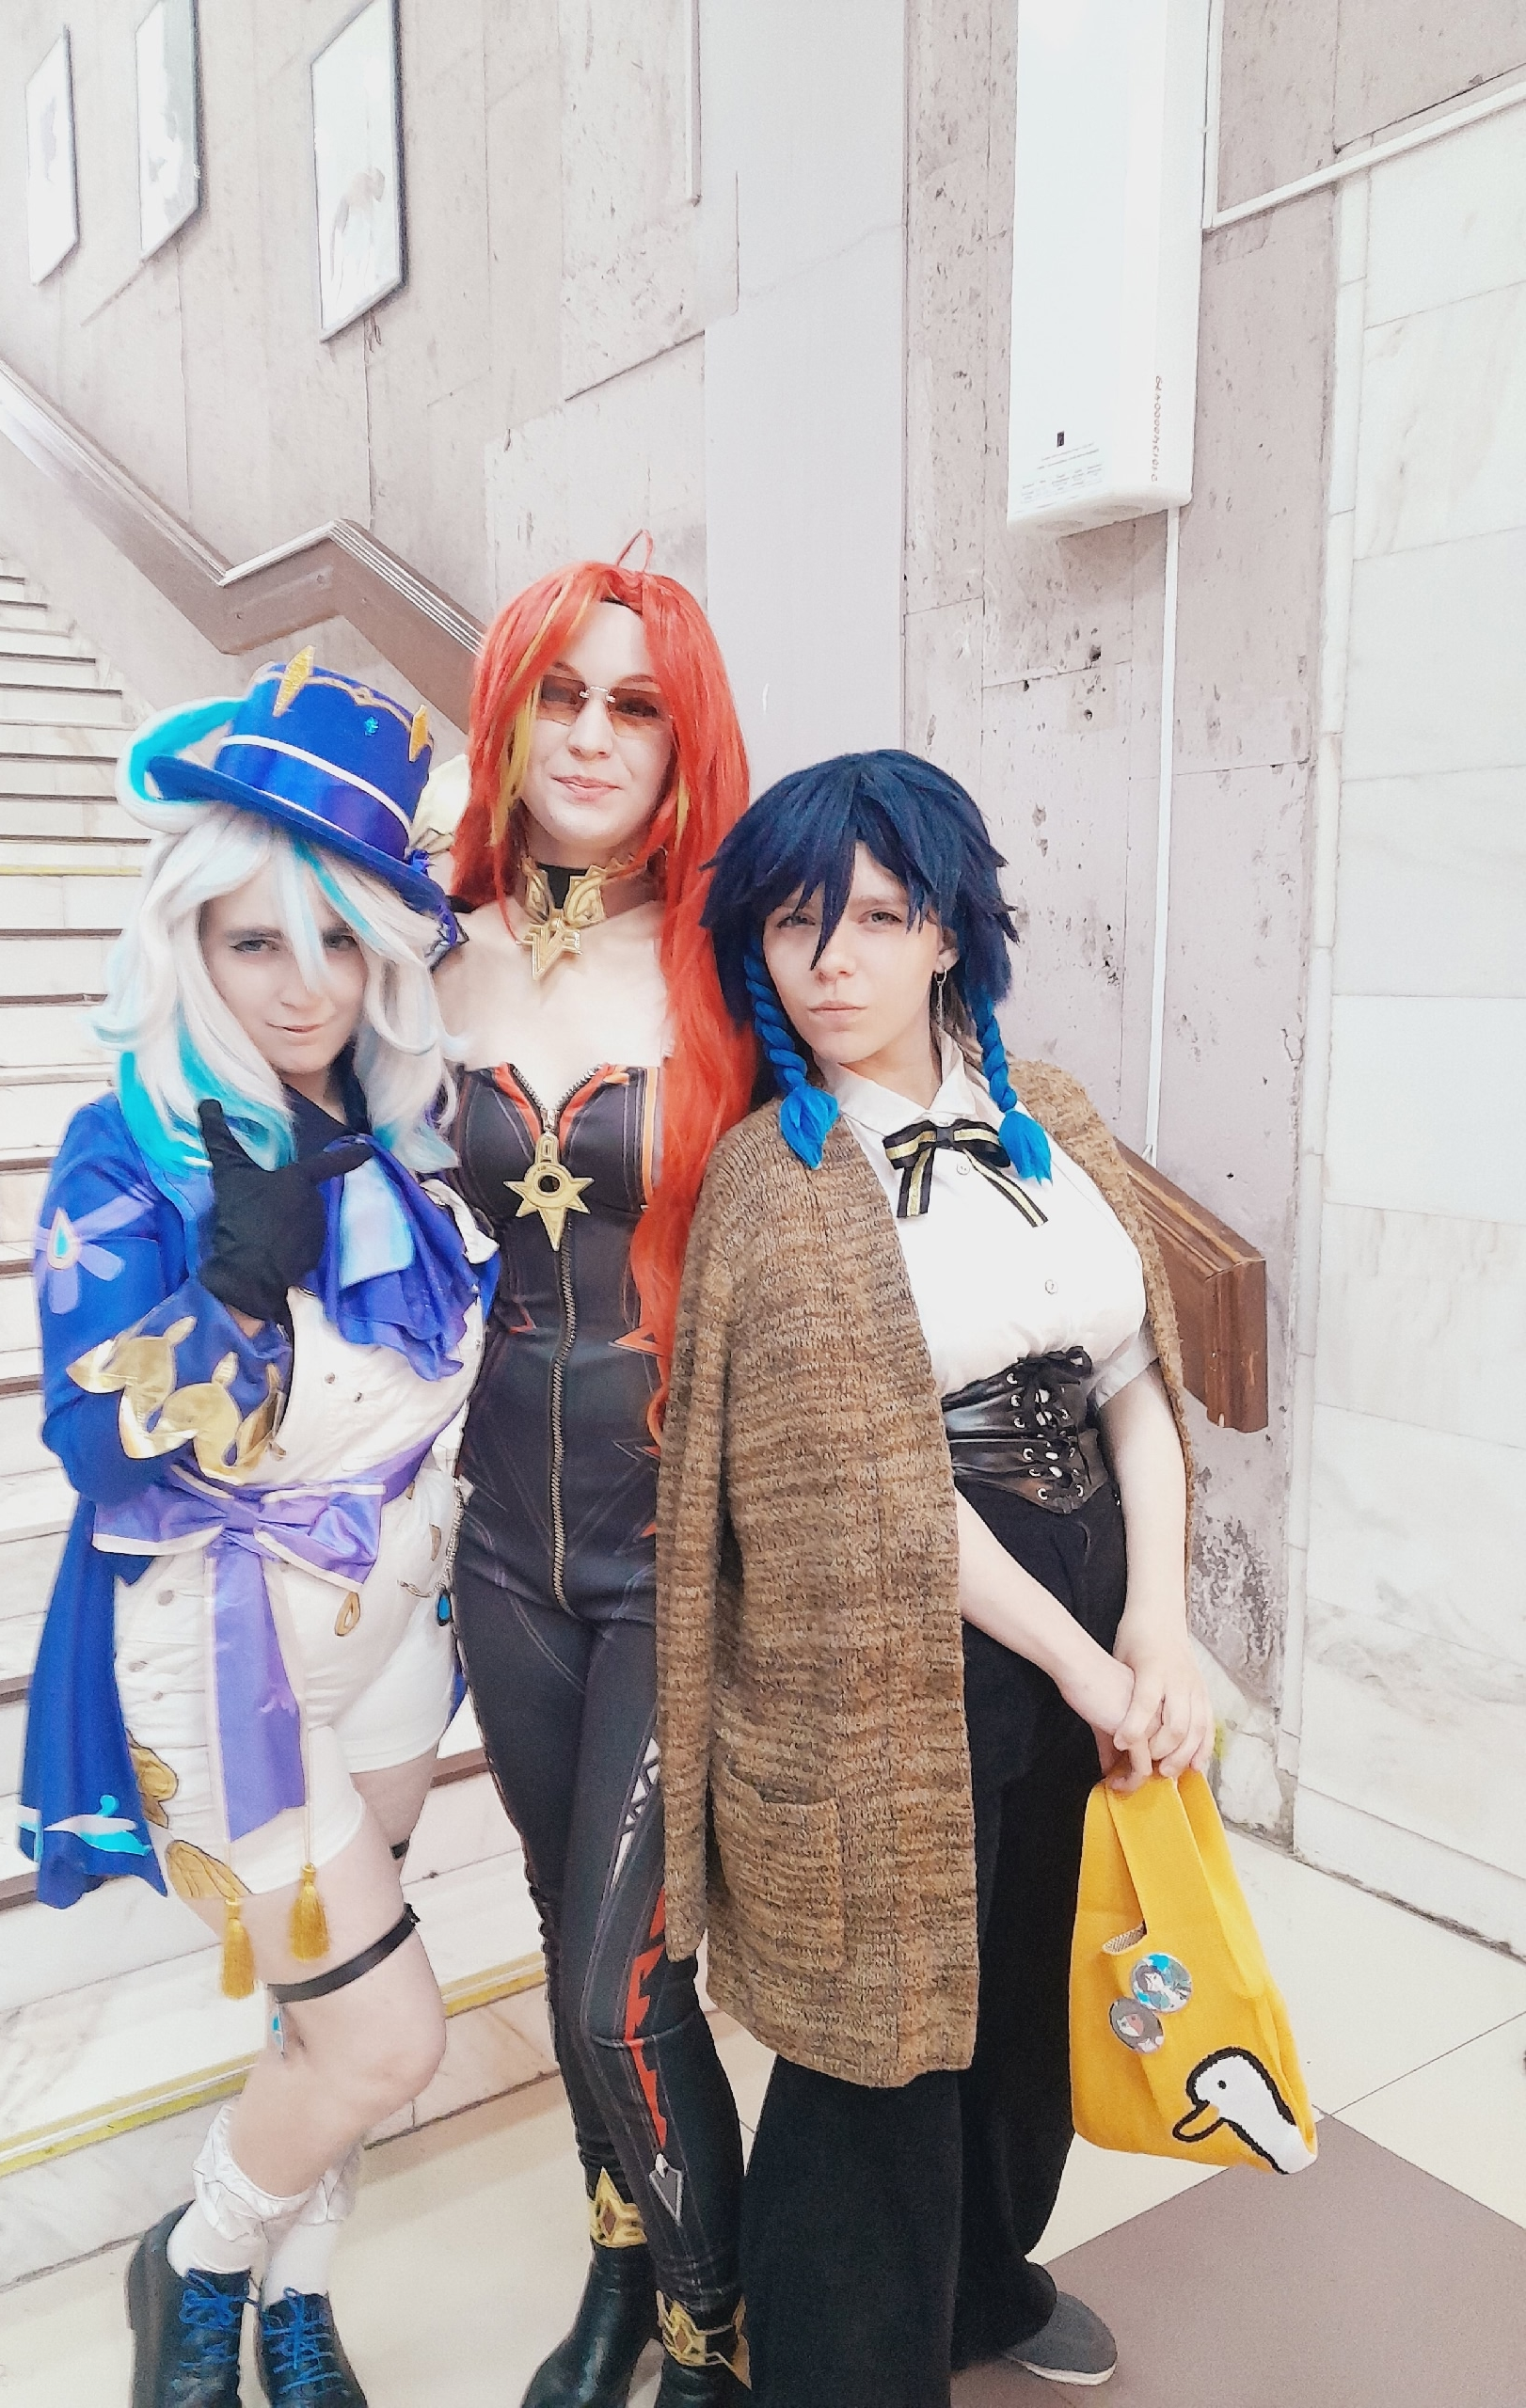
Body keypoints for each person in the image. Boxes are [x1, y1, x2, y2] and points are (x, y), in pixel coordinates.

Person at [657, 750, 1216, 2406]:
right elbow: (877, 1487)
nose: (831, 962)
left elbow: (1137, 1385)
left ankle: (984, 2285)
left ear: (950, 932)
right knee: (881, 2035)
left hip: (1093, 1604)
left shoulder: (1057, 1120)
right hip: (901, 1650)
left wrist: (1160, 1624)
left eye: (878, 919)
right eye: (793, 924)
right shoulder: (777, 1181)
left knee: (1041, 1976)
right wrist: (1085, 1665)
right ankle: (841, 2368)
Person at [18, 656, 494, 2408]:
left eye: (339, 943)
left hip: (393, 1633)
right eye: (254, 943)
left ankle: (298, 2293)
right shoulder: (127, 1151)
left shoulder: (399, 1134)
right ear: (186, 945)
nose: (304, 987)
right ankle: (203, 2257)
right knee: (386, 2031)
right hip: (227, 1651)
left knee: (322, 2018)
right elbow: (95, 1444)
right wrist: (230, 1286)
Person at [435, 549, 758, 2406]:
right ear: (508, 715)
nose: (590, 735)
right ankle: (622, 2271)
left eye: (634, 703)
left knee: (611, 1987)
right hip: (501, 1542)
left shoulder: (740, 969)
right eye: (560, 692)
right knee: (574, 1928)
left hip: (671, 1550)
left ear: (682, 741)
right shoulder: (426, 957)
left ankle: (715, 2332)